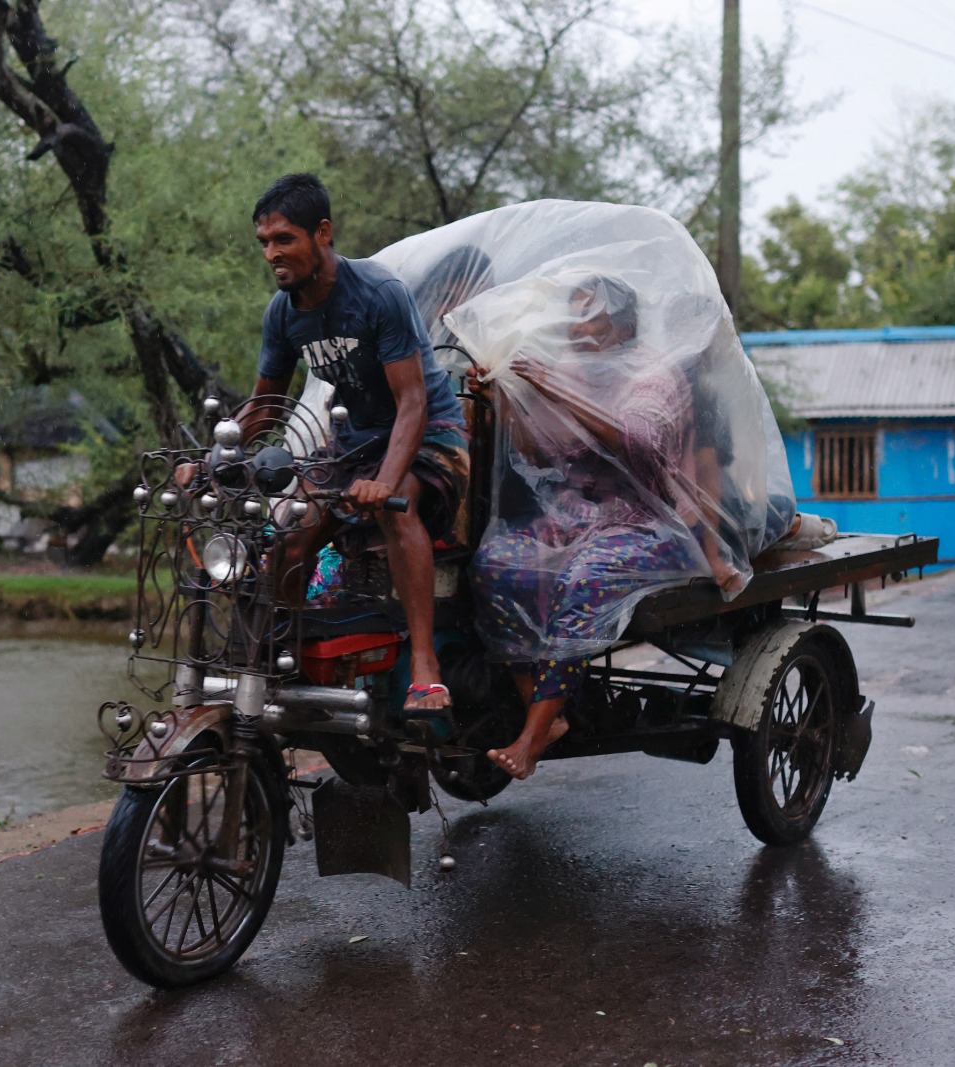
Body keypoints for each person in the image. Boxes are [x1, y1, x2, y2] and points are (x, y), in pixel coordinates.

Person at [243, 173, 470, 712]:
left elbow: (413, 402)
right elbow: (263, 406)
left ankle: (424, 670)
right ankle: (284, 657)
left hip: (433, 434)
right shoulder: (283, 313)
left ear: (322, 233)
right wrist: (214, 458)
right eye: (264, 243)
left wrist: (385, 482)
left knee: (398, 508)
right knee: (291, 529)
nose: (273, 254)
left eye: (284, 240)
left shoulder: (377, 293)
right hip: (354, 442)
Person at [468, 274, 699, 778]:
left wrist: (555, 387)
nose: (576, 329)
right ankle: (546, 715)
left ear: (623, 324)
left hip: (647, 526)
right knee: (493, 564)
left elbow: (642, 446)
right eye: (571, 317)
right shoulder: (573, 370)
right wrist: (503, 396)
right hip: (572, 520)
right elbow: (536, 454)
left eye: (588, 316)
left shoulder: (653, 376)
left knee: (585, 579)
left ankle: (531, 736)